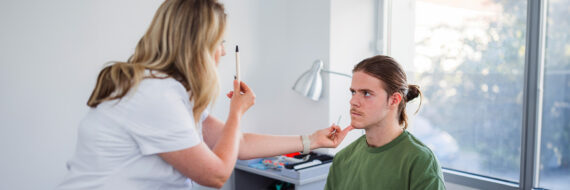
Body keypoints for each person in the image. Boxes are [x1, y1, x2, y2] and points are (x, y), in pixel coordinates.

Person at [56, 0, 353, 189]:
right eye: (219, 41)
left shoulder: (167, 91)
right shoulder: (155, 95)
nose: (223, 51)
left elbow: (239, 143)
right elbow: (216, 175)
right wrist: (237, 111)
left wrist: (311, 140)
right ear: (197, 45)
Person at [324, 55, 445, 190]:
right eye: (353, 92)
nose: (353, 101)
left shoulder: (421, 162)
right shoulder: (343, 158)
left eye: (366, 93)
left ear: (394, 100)